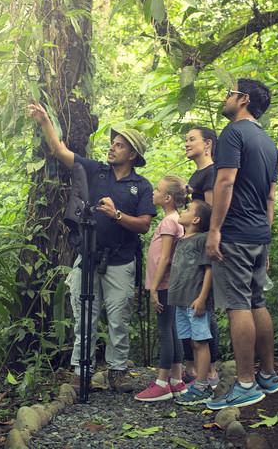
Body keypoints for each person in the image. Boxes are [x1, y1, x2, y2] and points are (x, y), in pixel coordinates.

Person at [28, 99, 156, 392]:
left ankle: (117, 371)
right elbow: (59, 151)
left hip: (121, 261)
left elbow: (145, 225)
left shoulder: (142, 185)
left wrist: (117, 215)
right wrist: (45, 120)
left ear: (132, 154)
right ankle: (80, 371)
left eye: (119, 145)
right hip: (87, 258)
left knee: (119, 319)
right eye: (112, 143)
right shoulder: (95, 171)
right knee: (83, 317)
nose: (112, 147)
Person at [205, 79, 278, 410]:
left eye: (229, 94)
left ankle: (246, 384)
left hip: (234, 234)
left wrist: (214, 230)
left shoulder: (233, 133)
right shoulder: (268, 142)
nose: (225, 99)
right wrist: (264, 235)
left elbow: (225, 180)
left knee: (238, 304)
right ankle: (268, 375)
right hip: (257, 234)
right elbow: (270, 196)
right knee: (256, 301)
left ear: (244, 99)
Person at [134, 176, 188, 402]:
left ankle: (161, 383)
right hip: (172, 284)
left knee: (165, 331)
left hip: (164, 284)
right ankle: (176, 380)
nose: (153, 193)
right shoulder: (178, 219)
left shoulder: (168, 222)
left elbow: (165, 257)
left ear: (167, 198)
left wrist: (154, 288)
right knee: (173, 330)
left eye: (157, 190)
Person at [182, 127, 220, 389]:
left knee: (205, 309)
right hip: (193, 249)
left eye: (191, 139)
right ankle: (195, 369)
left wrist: (207, 248)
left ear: (207, 144)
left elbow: (209, 213)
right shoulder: (196, 174)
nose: (186, 143)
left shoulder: (211, 173)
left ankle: (213, 370)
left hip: (204, 249)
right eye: (185, 140)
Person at [168, 199, 214, 405]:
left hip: (195, 300)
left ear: (195, 219)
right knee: (191, 342)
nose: (182, 210)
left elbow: (209, 270)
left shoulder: (201, 240)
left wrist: (202, 298)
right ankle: (198, 384)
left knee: (200, 341)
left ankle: (204, 387)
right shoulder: (182, 240)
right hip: (181, 301)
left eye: (187, 209)